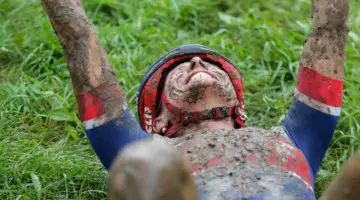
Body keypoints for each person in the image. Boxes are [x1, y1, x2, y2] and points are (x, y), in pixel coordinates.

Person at [41, 0, 348, 199]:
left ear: (239, 107)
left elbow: (329, 29)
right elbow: (78, 38)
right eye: (177, 69)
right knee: (140, 163)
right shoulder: (145, 149)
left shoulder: (296, 136)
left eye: (210, 63)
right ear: (158, 121)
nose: (197, 63)